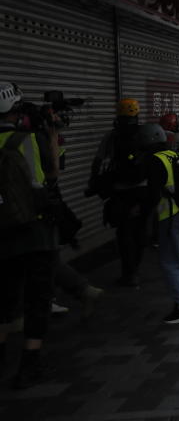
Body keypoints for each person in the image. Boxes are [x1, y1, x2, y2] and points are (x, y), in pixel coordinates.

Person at [0, 81, 60, 388]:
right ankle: (29, 364)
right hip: (35, 230)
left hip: (2, 231)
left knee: (5, 298)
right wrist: (50, 133)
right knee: (38, 298)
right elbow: (52, 174)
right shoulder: (31, 139)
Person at [139, 123, 179, 324]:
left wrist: (143, 217)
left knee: (168, 262)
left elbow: (152, 194)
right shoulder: (176, 155)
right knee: (178, 258)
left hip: (173, 216)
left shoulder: (155, 160)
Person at [88, 99, 149, 288]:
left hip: (119, 191)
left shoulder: (112, 136)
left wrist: (94, 181)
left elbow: (98, 161)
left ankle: (128, 273)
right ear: (137, 114)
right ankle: (135, 269)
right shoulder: (144, 134)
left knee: (124, 233)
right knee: (140, 231)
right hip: (142, 189)